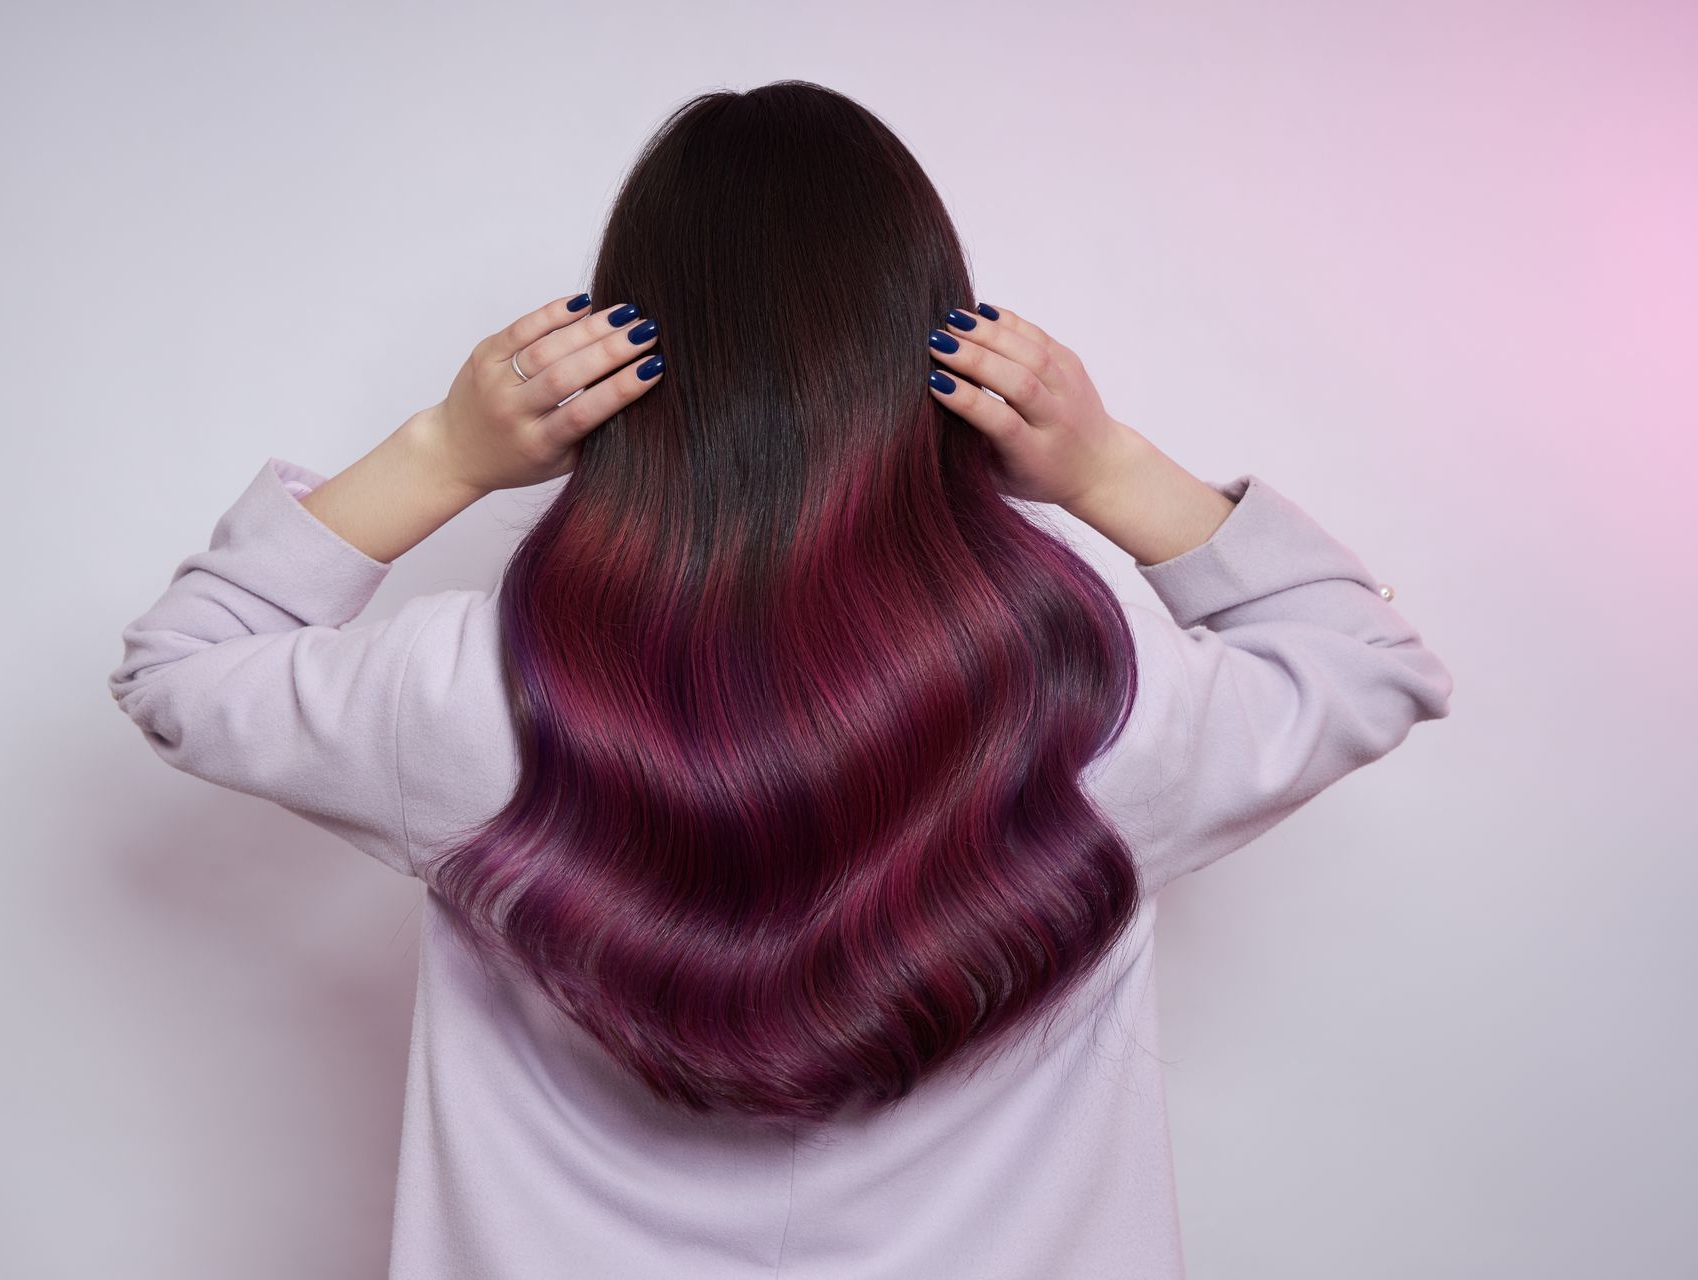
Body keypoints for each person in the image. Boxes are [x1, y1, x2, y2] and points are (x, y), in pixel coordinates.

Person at [107, 81, 1452, 1280]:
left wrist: (443, 454)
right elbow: (1368, 661)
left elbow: (182, 666)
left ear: (633, 369)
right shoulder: (1095, 705)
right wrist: (1106, 468)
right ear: (929, 358)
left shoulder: (477, 696)